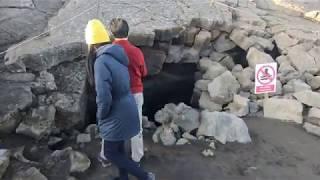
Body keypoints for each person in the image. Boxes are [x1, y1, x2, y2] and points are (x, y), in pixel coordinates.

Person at [85, 19, 155, 180]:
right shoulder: (119, 54)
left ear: (91, 44)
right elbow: (141, 73)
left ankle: (145, 176)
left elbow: (103, 96)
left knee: (110, 153)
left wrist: (101, 116)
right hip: (129, 102)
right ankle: (125, 176)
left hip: (116, 110)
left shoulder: (101, 61)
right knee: (120, 148)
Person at [110, 18, 147, 164]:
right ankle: (137, 156)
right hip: (135, 93)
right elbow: (143, 72)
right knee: (136, 127)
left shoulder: (108, 52)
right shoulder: (136, 52)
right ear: (128, 32)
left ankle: (112, 154)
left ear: (112, 34)